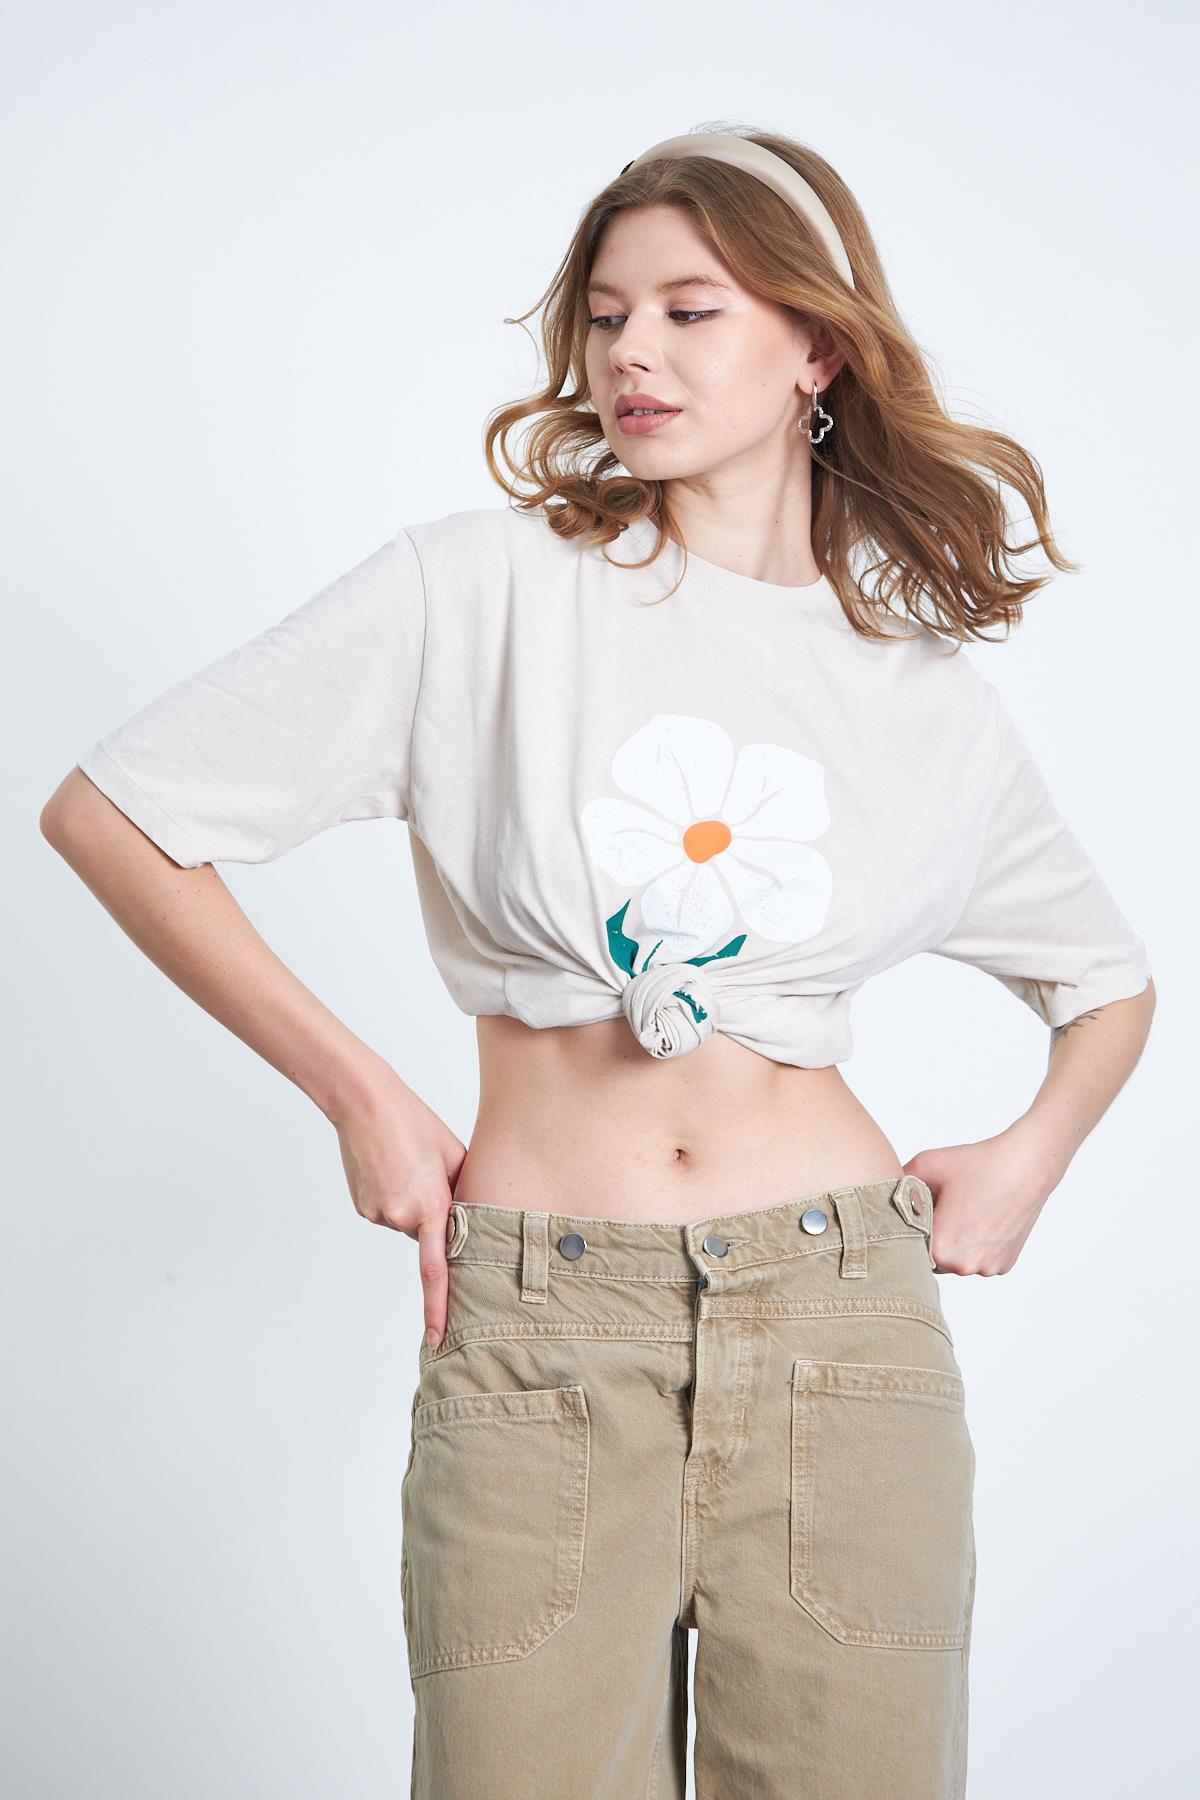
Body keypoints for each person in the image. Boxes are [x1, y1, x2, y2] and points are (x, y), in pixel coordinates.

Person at [41, 126, 1155, 1799]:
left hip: (844, 1329)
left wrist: (1033, 1153)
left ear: (817, 348)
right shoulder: (483, 592)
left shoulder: (915, 697)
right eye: (610, 314)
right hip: (543, 1326)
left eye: (692, 311)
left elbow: (1107, 982)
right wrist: (365, 1097)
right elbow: (116, 811)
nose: (634, 352)